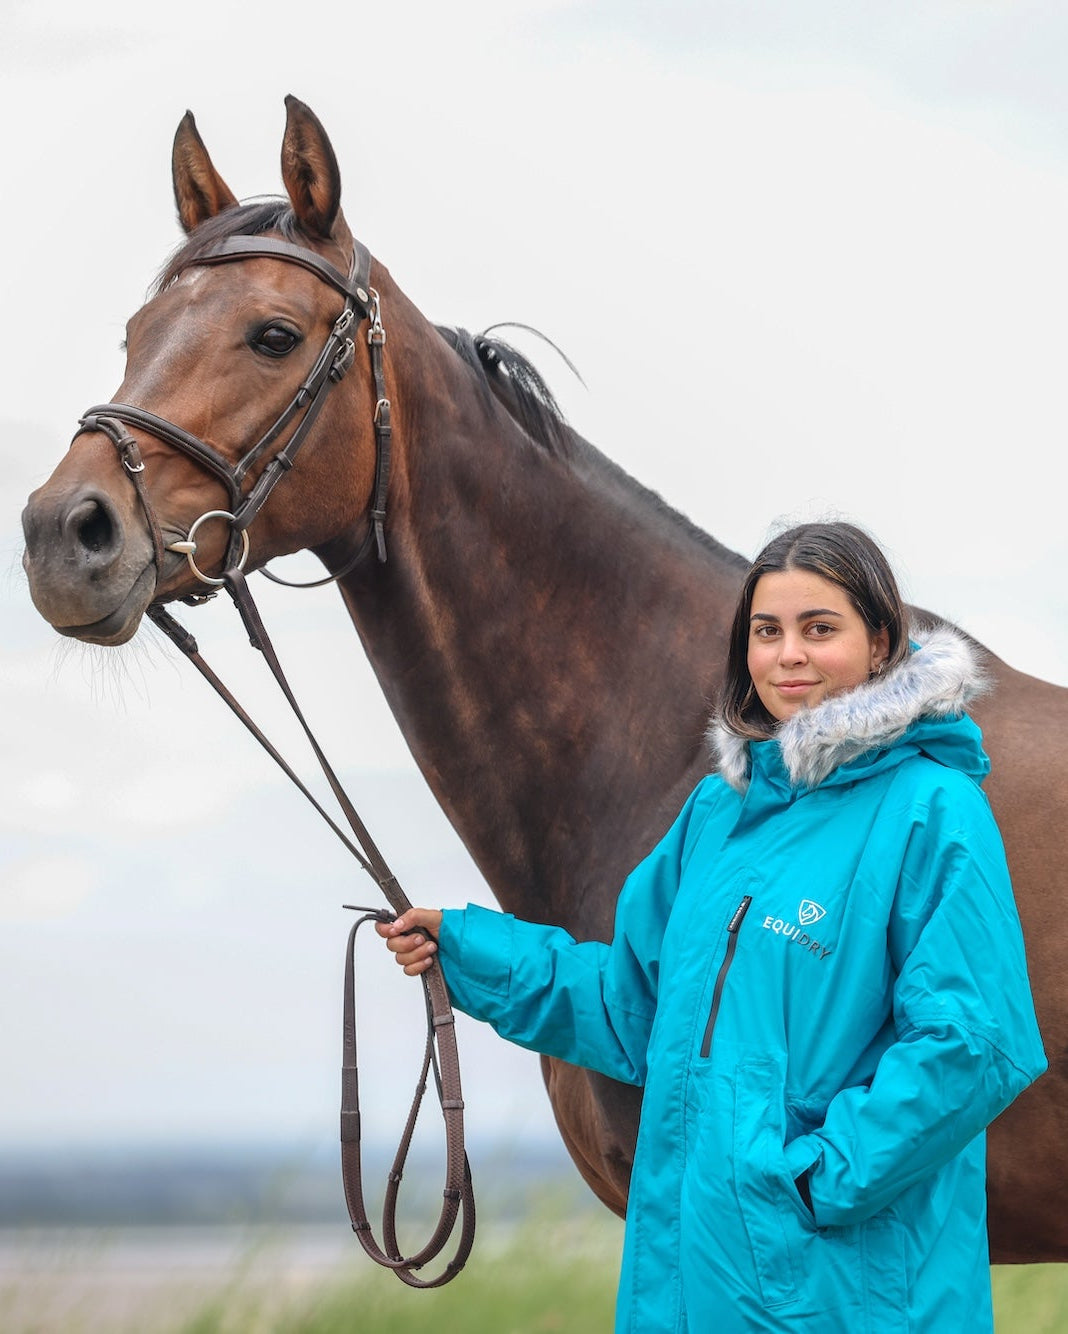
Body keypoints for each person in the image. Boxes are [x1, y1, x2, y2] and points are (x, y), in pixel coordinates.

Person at [377, 520, 1046, 1333]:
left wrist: (809, 1182)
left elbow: (973, 1045)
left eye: (819, 629)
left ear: (880, 644)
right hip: (686, 1281)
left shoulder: (933, 810)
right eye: (767, 632)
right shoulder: (718, 813)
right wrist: (466, 949)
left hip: (838, 1293)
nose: (788, 655)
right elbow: (633, 1007)